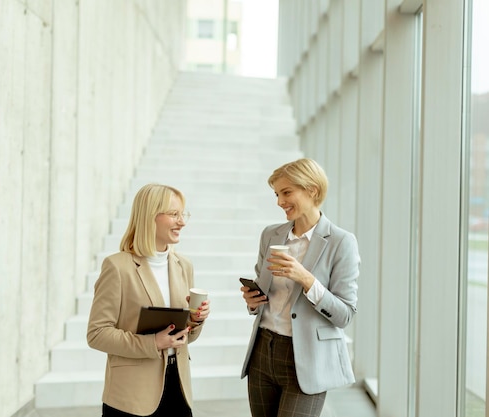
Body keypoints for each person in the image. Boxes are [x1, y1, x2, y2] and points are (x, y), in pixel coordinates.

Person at [239, 158, 360, 417]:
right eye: (277, 194)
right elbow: (263, 291)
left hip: (307, 358)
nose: (280, 202)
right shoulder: (270, 235)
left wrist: (306, 279)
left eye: (286, 193)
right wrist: (252, 301)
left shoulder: (341, 242)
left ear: (312, 190)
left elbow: (345, 314)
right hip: (263, 350)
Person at [87, 183, 210, 417]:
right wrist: (152, 343)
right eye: (174, 214)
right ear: (149, 216)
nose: (182, 222)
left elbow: (186, 337)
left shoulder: (184, 266)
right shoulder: (117, 267)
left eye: (183, 214)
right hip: (131, 395)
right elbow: (97, 334)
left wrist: (196, 320)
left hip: (179, 387)